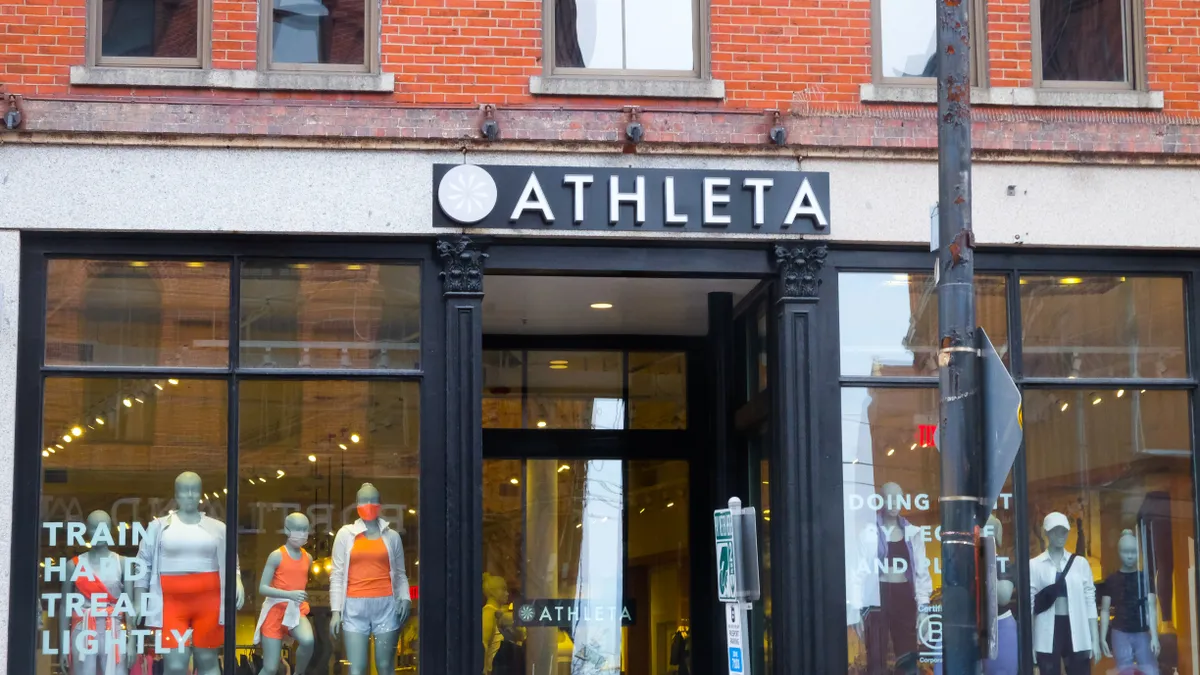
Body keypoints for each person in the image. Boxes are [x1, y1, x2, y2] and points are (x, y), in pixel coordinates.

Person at [850, 482, 932, 675]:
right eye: (890, 498)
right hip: (877, 596)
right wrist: (856, 607)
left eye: (899, 498)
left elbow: (921, 572)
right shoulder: (869, 534)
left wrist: (923, 607)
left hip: (903, 595)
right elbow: (858, 574)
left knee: (907, 654)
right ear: (882, 500)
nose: (895, 503)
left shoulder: (913, 534)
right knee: (876, 655)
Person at [1030, 512, 1100, 675]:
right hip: (1046, 629)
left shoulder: (1080, 564)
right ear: (1046, 532)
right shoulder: (1034, 565)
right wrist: (1031, 642)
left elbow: (1090, 600)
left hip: (1076, 627)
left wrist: (1094, 639)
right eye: (1055, 530)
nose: (1060, 535)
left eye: (1064, 531)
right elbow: (1030, 606)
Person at [253, 513, 316, 675]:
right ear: (287, 530)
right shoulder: (277, 556)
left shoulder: (307, 558)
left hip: (295, 610)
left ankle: (298, 673)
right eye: (297, 529)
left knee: (308, 641)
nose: (302, 534)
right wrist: (290, 594)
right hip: (275, 612)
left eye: (305, 530)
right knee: (271, 668)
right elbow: (262, 588)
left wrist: (297, 596)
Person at [1101, 529, 1161, 675]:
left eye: (1133, 552)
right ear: (1119, 552)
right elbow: (1104, 609)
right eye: (1125, 552)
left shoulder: (1145, 579)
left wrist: (1154, 636)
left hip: (1142, 631)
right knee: (1125, 670)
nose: (1129, 556)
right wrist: (1102, 637)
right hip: (1120, 631)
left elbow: (1151, 608)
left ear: (1138, 553)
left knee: (1150, 670)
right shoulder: (1111, 580)